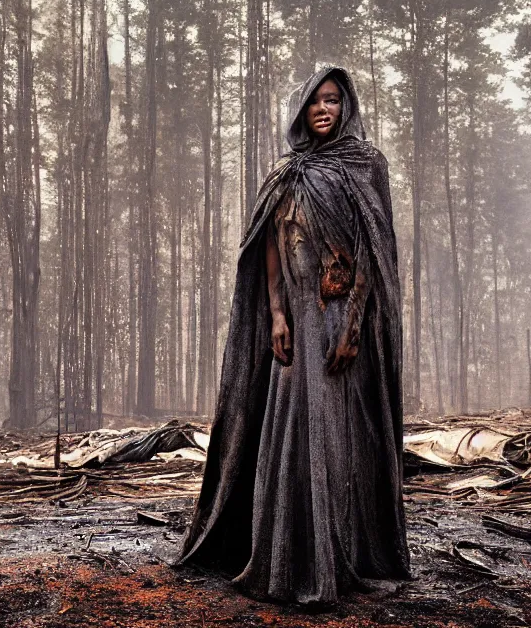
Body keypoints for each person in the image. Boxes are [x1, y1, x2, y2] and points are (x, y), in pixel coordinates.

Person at [173, 66, 410, 605]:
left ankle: (336, 556)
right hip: (296, 324)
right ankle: (285, 556)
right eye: (314, 102)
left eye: (332, 100)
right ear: (301, 109)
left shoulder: (367, 165)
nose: (324, 109)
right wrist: (277, 315)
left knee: (336, 433)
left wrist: (352, 321)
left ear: (346, 106)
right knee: (288, 431)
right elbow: (272, 247)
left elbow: (375, 250)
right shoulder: (288, 173)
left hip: (340, 321)